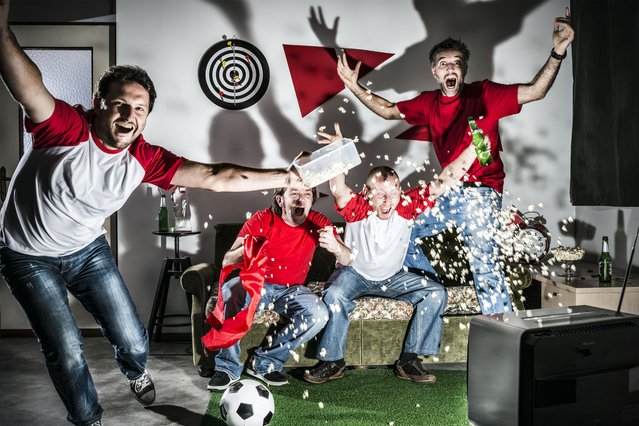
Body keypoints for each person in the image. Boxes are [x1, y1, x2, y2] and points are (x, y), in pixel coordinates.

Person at [0, 1, 303, 425]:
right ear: (99, 104)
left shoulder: (144, 158)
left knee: (134, 339)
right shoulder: (66, 128)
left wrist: (285, 177)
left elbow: (217, 175)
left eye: (140, 108)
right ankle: (88, 419)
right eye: (120, 105)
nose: (129, 116)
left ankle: (136, 371)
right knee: (66, 347)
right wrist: (1, 32)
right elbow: (28, 88)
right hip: (26, 254)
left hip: (86, 248)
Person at [334, 9, 575, 314]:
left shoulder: (485, 94)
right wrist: (354, 86)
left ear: (463, 70)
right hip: (447, 191)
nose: (451, 68)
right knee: (399, 231)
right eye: (443, 63)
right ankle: (434, 287)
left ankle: (502, 333)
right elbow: (387, 110)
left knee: (484, 266)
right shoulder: (428, 102)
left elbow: (536, 91)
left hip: (481, 193)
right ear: (435, 72)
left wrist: (558, 51)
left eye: (456, 63)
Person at [303, 123, 478, 384]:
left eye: (393, 192)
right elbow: (339, 188)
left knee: (436, 293)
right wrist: (338, 151)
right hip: (355, 274)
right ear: (367, 194)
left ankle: (409, 360)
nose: (387, 201)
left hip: (392, 278)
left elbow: (446, 179)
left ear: (400, 191)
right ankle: (333, 361)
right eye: (380, 194)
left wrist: (477, 146)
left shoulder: (406, 207)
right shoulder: (359, 209)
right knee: (335, 295)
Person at [206, 183, 352, 390]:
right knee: (230, 291)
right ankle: (227, 367)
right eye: (294, 193)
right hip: (257, 283)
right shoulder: (261, 219)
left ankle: (264, 362)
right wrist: (248, 247)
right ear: (280, 200)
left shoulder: (317, 221)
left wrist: (337, 247)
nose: (301, 199)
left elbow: (348, 260)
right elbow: (227, 261)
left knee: (318, 314)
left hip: (291, 290)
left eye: (307, 194)